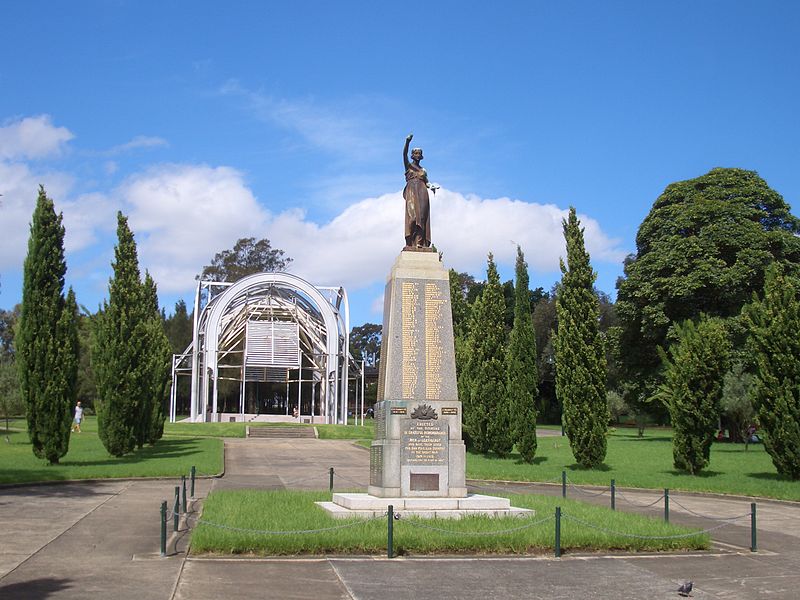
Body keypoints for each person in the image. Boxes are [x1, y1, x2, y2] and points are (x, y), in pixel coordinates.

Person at [403, 133, 433, 249]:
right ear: (412, 155)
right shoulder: (408, 166)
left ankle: (420, 242)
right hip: (411, 190)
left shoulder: (423, 170)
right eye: (415, 153)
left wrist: (431, 186)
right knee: (412, 217)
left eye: (419, 153)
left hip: (422, 191)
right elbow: (404, 154)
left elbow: (427, 182)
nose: (417, 155)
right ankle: (410, 242)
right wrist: (407, 142)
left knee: (422, 217)